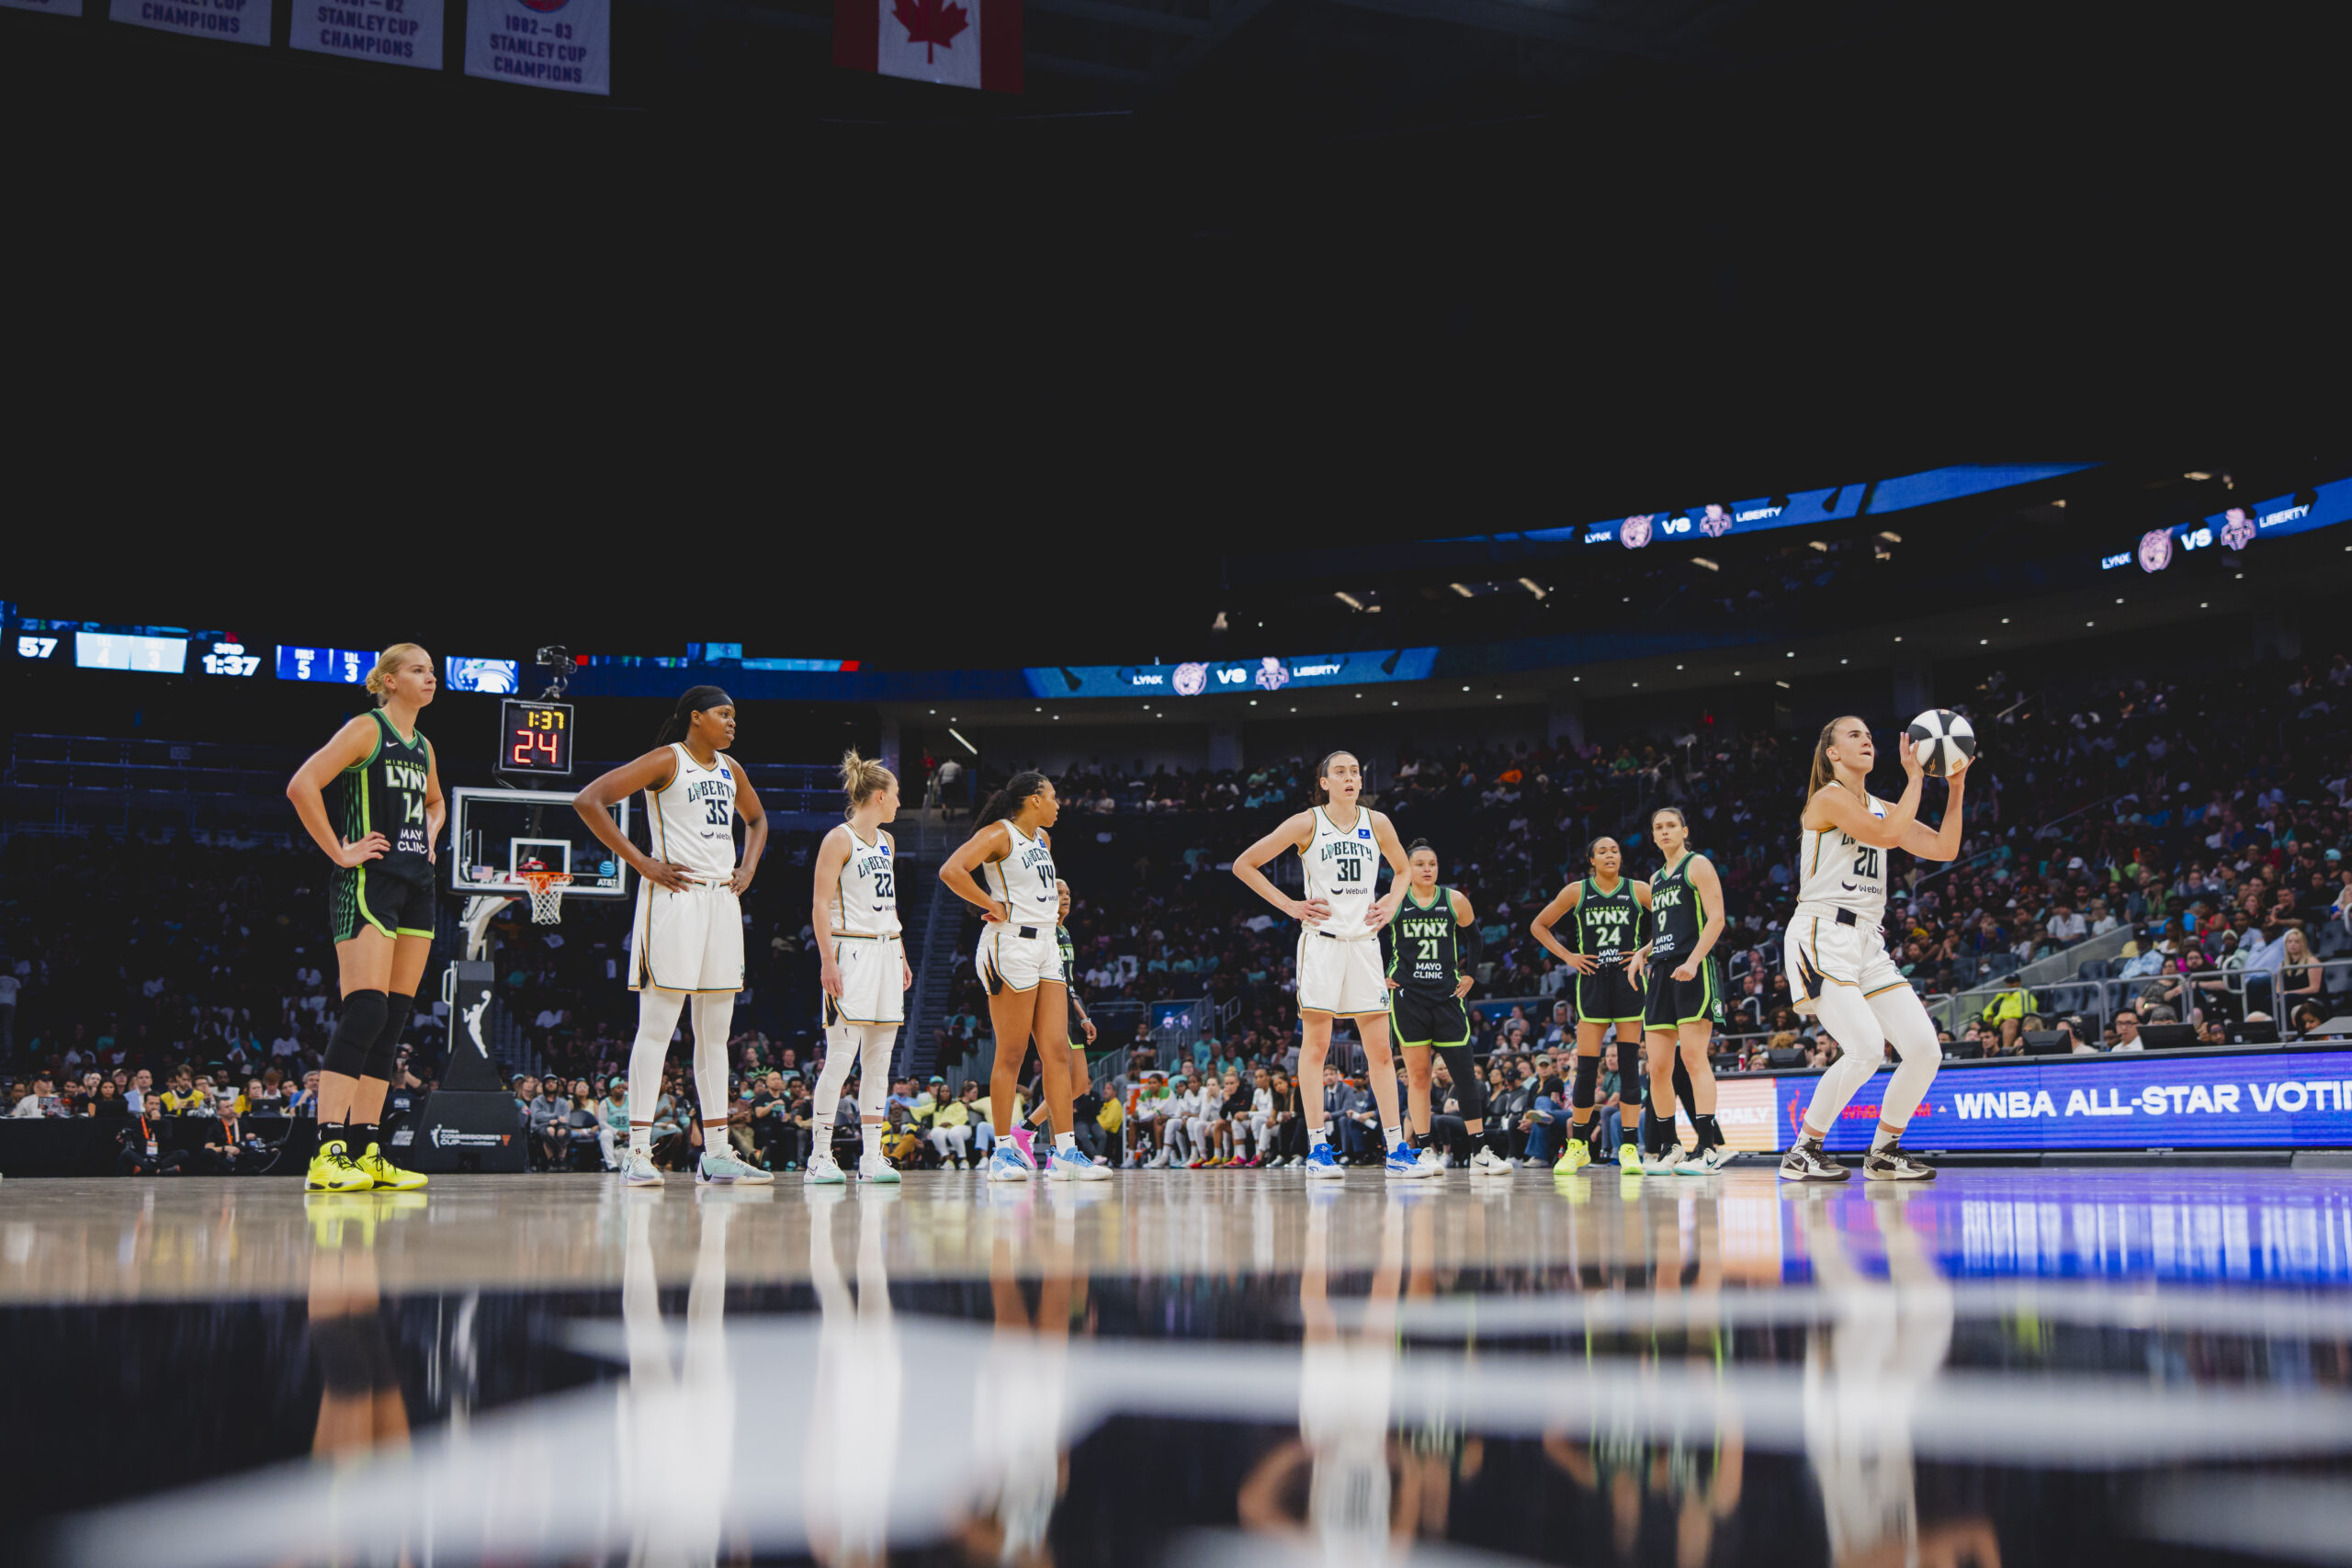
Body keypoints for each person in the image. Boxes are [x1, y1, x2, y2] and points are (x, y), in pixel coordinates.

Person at [573, 685, 773, 1188]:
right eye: (724, 714)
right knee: (658, 1027)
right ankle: (637, 1151)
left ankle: (718, 1152)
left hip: (721, 901)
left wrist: (747, 867)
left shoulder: (732, 770)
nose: (732, 723)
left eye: (735, 715)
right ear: (695, 717)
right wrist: (642, 862)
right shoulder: (668, 759)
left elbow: (757, 819)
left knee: (716, 1035)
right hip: (675, 897)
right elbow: (589, 799)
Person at [1779, 716, 1969, 1183]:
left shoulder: (1884, 807)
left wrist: (1957, 786)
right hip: (1822, 931)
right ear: (1833, 754)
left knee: (1925, 1050)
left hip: (1867, 938)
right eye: (1853, 735)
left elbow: (1945, 848)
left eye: (1868, 734)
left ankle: (1884, 1152)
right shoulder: (1828, 799)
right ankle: (1803, 1150)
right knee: (1865, 1049)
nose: (1865, 739)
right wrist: (1918, 779)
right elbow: (1885, 837)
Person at [282, 643, 441, 1194]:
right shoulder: (365, 729)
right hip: (368, 882)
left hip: (417, 886)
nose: (431, 677)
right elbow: (302, 785)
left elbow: (437, 803)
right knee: (366, 1009)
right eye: (419, 670)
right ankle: (327, 1151)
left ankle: (367, 1149)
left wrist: (430, 837)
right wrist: (339, 851)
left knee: (393, 1021)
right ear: (390, 680)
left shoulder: (423, 746)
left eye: (432, 670)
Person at [1232, 750, 1427, 1179]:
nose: (1350, 778)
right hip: (1321, 945)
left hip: (1364, 944)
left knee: (1380, 1051)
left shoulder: (1377, 823)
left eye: (1355, 771)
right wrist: (1291, 906)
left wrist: (1393, 904)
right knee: (1316, 1047)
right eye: (1340, 772)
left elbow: (1401, 871)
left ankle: (1397, 1149)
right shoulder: (1307, 822)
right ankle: (1319, 1149)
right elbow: (1244, 864)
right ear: (1324, 782)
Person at [938, 771, 1110, 1183]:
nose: (1058, 804)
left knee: (1057, 1053)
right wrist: (991, 903)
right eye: (1053, 797)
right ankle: (1001, 1152)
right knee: (1011, 1054)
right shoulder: (1000, 833)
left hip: (1047, 944)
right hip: (1010, 946)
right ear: (1034, 799)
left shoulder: (1043, 840)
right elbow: (952, 869)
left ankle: (1065, 1151)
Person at [805, 750, 915, 1186]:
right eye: (897, 797)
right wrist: (827, 960)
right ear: (879, 797)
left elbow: (889, 906)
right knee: (841, 1058)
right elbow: (818, 903)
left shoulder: (887, 842)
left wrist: (902, 953)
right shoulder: (839, 839)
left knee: (880, 1062)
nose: (900, 804)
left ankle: (872, 1156)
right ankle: (819, 1156)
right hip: (850, 953)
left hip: (887, 951)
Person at [1530, 835, 1655, 1174]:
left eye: (1615, 850)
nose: (1610, 855)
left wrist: (1646, 950)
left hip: (1628, 980)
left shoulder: (1639, 889)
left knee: (1629, 1066)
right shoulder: (1577, 891)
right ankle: (1578, 1146)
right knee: (1586, 1069)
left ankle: (1630, 1147)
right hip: (1593, 982)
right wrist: (1568, 956)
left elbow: (1676, 921)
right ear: (1591, 860)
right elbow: (1538, 925)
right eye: (1602, 851)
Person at [1383, 839, 1508, 1176]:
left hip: (1448, 997)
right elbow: (1368, 936)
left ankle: (1480, 1150)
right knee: (1419, 1077)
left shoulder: (1454, 900)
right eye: (1420, 864)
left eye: (1432, 864)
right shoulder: (1393, 901)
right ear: (1407, 869)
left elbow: (1475, 938)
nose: (1427, 869)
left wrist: (1470, 975)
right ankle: (1423, 1150)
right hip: (1408, 999)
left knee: (1465, 1075)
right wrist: (1380, 975)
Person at [1629, 808, 1734, 1175]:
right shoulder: (1656, 878)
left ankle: (1706, 1147)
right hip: (1660, 971)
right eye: (1658, 827)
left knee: (1692, 1058)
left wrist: (1692, 960)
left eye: (1671, 825)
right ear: (1653, 836)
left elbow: (1716, 918)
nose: (1664, 831)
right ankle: (1670, 1146)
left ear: (1684, 830)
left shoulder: (1698, 864)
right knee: (1657, 1066)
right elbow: (1665, 928)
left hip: (1694, 969)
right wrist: (1643, 952)